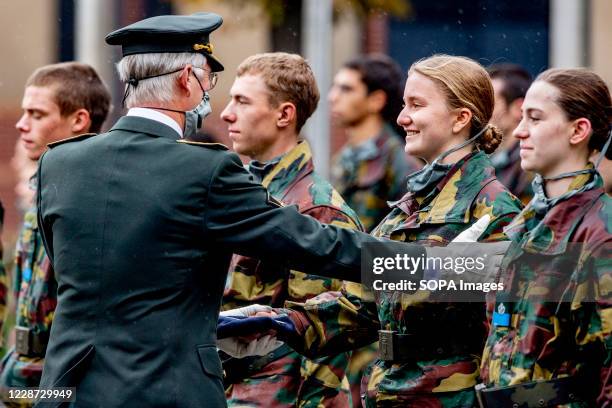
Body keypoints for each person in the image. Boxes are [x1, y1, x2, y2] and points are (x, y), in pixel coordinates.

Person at [223, 55, 524, 407]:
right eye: (404, 104)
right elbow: (363, 301)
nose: (402, 118)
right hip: (393, 392)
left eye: (417, 105)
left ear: (461, 118)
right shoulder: (414, 205)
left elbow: (509, 328)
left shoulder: (492, 209)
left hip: (451, 398)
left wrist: (445, 273)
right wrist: (283, 322)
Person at [219, 52, 361, 407]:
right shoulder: (247, 193)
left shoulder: (315, 206)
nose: (226, 113)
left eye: (242, 101)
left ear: (284, 114)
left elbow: (324, 340)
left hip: (278, 396)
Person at [478, 68, 612, 407]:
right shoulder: (526, 225)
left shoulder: (599, 234)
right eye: (522, 117)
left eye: (535, 119)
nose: (520, 131)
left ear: (578, 130)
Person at [0, 62, 110, 406]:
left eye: (36, 114)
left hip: (63, 381)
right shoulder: (44, 188)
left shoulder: (96, 198)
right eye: (24, 112)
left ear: (78, 120)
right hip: (21, 374)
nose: (21, 124)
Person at [328, 55, 421, 232]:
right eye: (335, 87)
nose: (332, 97)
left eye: (346, 89)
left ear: (376, 100)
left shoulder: (401, 164)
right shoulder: (343, 158)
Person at [488, 63, 534, 204]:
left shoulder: (531, 168)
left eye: (489, 102)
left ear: (518, 108)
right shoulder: (490, 161)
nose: (479, 111)